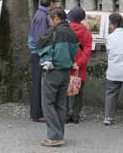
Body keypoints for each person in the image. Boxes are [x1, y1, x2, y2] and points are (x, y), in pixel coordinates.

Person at [36, 8, 78, 147]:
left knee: (47, 103)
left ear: (55, 18)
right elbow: (75, 51)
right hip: (66, 71)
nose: (49, 21)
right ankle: (59, 134)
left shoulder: (53, 31)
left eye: (50, 18)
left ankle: (54, 136)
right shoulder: (71, 32)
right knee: (61, 103)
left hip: (53, 71)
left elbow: (41, 46)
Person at [28, 0, 59, 122]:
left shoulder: (40, 14)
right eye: (55, 2)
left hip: (37, 52)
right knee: (39, 84)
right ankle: (37, 113)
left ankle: (38, 112)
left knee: (39, 83)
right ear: (51, 3)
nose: (56, 5)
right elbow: (41, 38)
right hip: (39, 53)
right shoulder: (42, 17)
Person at [66, 7, 92, 124]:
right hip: (79, 67)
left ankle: (65, 115)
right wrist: (79, 63)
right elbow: (87, 49)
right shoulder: (85, 31)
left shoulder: (65, 29)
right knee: (78, 92)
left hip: (65, 64)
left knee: (64, 91)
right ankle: (75, 115)